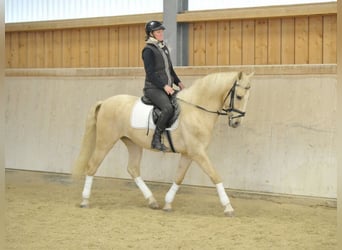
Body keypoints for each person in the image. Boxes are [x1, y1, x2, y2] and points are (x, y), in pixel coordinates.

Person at [142, 20, 185, 152]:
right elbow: (150, 74)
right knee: (167, 108)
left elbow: (170, 69)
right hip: (153, 88)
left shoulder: (163, 48)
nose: (161, 34)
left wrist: (179, 82)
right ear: (151, 34)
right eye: (158, 32)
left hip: (167, 87)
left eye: (161, 32)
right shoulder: (148, 50)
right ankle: (156, 139)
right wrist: (165, 86)